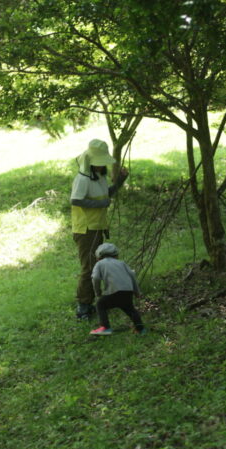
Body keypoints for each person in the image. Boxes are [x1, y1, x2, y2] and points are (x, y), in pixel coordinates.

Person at [70, 139, 129, 319]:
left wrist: (120, 180)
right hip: (86, 229)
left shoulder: (99, 176)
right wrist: (100, 204)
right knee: (89, 268)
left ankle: (95, 302)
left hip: (97, 227)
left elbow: (107, 194)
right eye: (98, 162)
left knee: (97, 266)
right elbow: (76, 200)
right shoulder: (82, 179)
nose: (101, 165)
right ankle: (83, 305)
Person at [89, 242, 146, 336]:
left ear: (98, 257)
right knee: (129, 308)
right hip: (127, 290)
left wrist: (98, 293)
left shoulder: (99, 264)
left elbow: (95, 278)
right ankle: (141, 329)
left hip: (113, 290)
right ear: (116, 255)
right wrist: (137, 291)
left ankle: (105, 327)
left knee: (100, 304)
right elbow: (132, 275)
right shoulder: (121, 263)